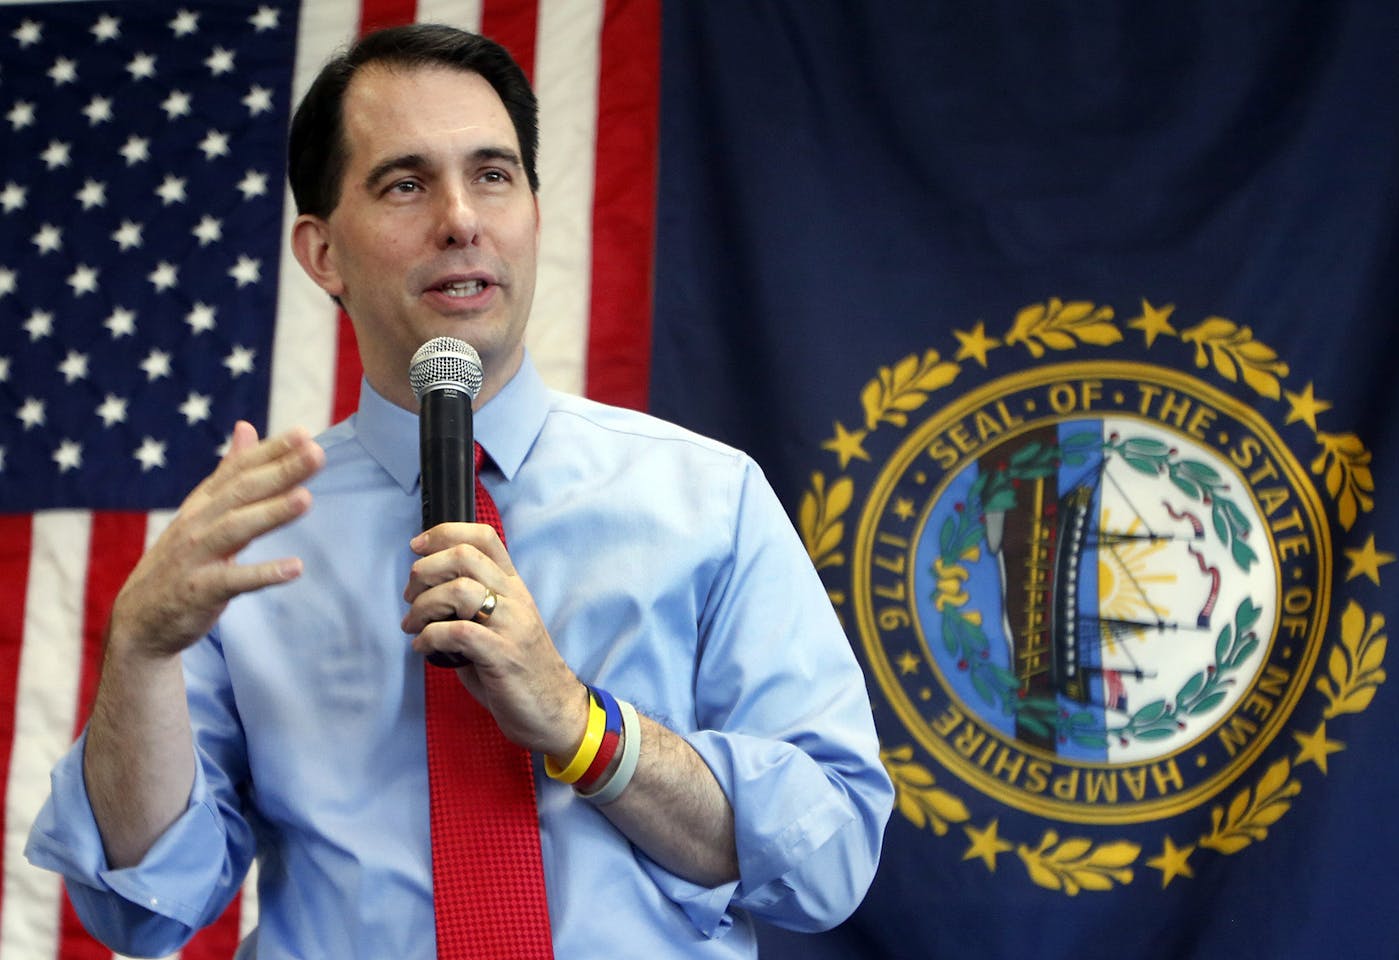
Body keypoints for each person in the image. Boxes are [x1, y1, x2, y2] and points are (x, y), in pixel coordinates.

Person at [26, 24, 892, 958]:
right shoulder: (250, 539)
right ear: (321, 255)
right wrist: (140, 657)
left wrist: (579, 725)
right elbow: (141, 909)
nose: (461, 220)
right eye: (406, 183)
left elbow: (828, 857)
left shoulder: (707, 498)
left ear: (532, 213)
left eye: (493, 174)